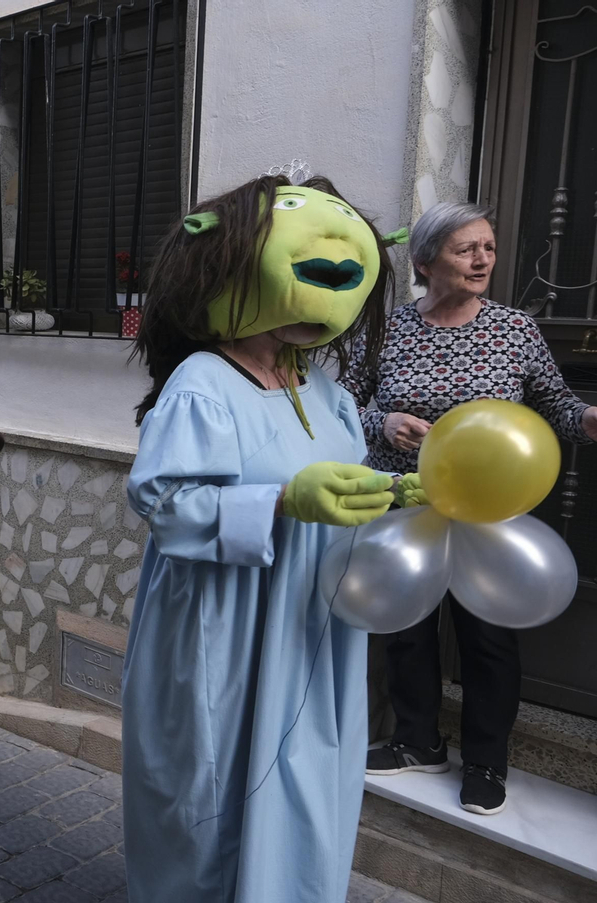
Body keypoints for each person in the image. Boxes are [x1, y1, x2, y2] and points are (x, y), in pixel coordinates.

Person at [123, 172, 405, 902]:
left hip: (313, 627)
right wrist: (281, 500)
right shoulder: (203, 384)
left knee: (308, 784)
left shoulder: (328, 391)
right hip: (224, 630)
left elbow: (346, 484)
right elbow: (165, 502)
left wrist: (398, 496)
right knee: (209, 798)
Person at [341, 202, 596, 816]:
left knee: (488, 639)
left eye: (487, 246)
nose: (482, 259)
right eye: (466, 249)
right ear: (426, 262)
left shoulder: (513, 329)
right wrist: (385, 420)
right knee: (406, 629)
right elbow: (345, 405)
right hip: (408, 505)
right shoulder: (387, 329)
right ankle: (416, 741)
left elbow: (552, 402)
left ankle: (487, 763)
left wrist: (586, 418)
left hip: (489, 514)